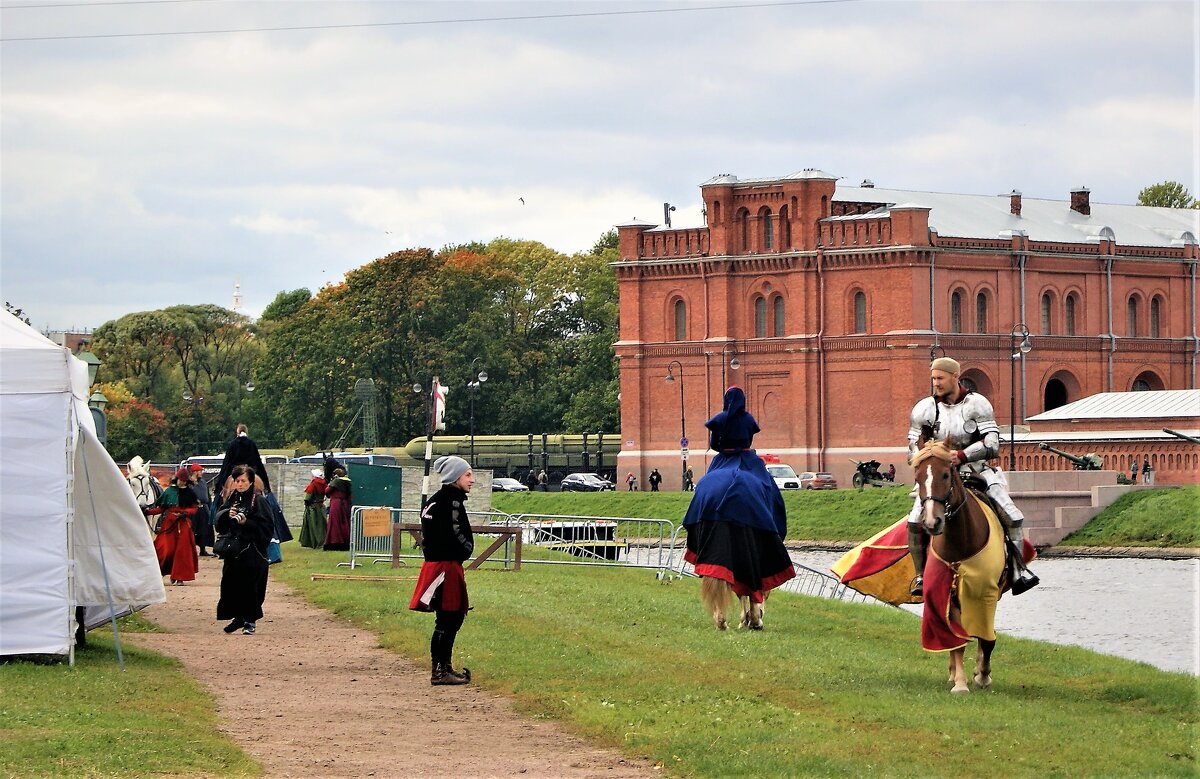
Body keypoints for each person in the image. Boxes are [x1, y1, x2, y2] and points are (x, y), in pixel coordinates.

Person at [905, 357, 1030, 596]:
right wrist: (928, 456)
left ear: (955, 377)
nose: (936, 383)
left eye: (940, 378)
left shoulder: (977, 405)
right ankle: (921, 576)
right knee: (913, 522)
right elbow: (912, 445)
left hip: (976, 471)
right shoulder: (925, 408)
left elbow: (992, 444)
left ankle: (1017, 572)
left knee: (1013, 517)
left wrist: (962, 456)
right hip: (938, 475)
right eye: (933, 378)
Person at [681, 387, 794, 607]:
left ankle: (696, 529)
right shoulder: (748, 419)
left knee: (704, 485)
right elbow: (749, 441)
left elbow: (714, 445)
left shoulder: (719, 420)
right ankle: (774, 529)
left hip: (723, 460)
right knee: (768, 488)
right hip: (745, 460)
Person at [409, 456, 476, 686]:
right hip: (445, 567)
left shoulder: (435, 501)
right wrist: (466, 550)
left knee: (448, 619)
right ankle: (440, 671)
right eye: (467, 475)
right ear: (454, 477)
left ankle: (443, 668)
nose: (472, 480)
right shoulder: (450, 502)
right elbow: (455, 534)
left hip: (438, 565)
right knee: (449, 619)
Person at [215, 464, 273, 635]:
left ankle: (250, 620)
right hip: (234, 551)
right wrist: (227, 515)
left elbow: (267, 526)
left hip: (253, 552)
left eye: (243, 481)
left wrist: (246, 522)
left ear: (250, 482)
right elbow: (220, 523)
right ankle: (238, 617)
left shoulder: (259, 501)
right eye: (237, 481)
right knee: (231, 585)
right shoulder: (232, 499)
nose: (240, 484)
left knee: (250, 587)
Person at [144, 468, 200, 585]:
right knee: (165, 548)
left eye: (184, 480)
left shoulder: (189, 492)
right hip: (169, 524)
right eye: (180, 480)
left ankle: (179, 577)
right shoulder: (169, 491)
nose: (182, 482)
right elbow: (161, 508)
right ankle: (161, 571)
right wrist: (148, 512)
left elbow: (194, 508)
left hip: (184, 523)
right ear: (177, 478)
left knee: (182, 551)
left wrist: (186, 512)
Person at [214, 423, 271, 500]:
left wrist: (219, 483)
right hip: (250, 470)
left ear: (237, 432)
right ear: (246, 432)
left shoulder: (232, 444)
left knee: (219, 493)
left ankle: (216, 505)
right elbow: (257, 461)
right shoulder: (252, 443)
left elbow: (227, 462)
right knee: (267, 494)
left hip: (235, 470)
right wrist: (266, 483)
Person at [188, 463, 215, 556]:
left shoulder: (203, 482)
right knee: (192, 530)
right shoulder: (189, 483)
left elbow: (207, 495)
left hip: (204, 508)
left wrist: (210, 508)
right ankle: (191, 550)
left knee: (204, 530)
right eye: (199, 471)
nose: (201, 473)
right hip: (193, 509)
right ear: (194, 472)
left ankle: (203, 549)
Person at [323, 466, 352, 551]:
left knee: (334, 523)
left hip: (336, 503)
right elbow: (350, 495)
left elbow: (327, 491)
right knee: (344, 523)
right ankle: (345, 542)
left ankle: (335, 542)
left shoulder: (336, 481)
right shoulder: (347, 482)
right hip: (345, 503)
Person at [298, 468, 328, 549]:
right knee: (322, 526)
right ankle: (323, 541)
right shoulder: (324, 484)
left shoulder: (313, 484)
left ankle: (315, 542)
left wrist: (307, 503)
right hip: (321, 506)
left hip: (313, 507)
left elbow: (308, 497)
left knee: (313, 526)